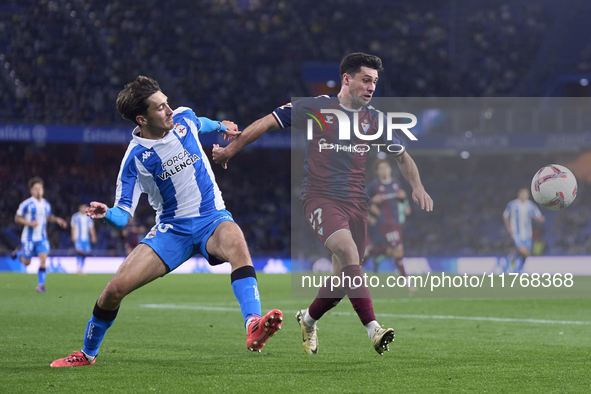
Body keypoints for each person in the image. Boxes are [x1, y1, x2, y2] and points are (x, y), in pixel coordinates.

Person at [51, 76, 283, 367]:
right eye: (160, 108)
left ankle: (252, 324)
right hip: (172, 231)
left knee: (238, 244)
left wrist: (223, 126)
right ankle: (87, 353)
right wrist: (107, 213)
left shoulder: (183, 118)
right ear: (142, 118)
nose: (170, 110)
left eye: (167, 103)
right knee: (114, 290)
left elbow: (203, 122)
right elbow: (123, 216)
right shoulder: (135, 158)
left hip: (212, 218)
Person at [212, 53, 433, 355]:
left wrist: (418, 186)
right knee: (347, 250)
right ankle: (373, 329)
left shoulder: (374, 121)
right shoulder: (315, 107)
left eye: (375, 82)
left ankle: (308, 319)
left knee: (344, 278)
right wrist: (230, 151)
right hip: (320, 198)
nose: (371, 87)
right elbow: (266, 123)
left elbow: (402, 156)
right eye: (366, 80)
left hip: (357, 203)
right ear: (347, 79)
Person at [12, 177, 68, 292]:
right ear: (31, 191)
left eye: (40, 188)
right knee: (27, 262)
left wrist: (58, 220)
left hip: (42, 238)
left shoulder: (46, 204)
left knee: (43, 259)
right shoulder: (26, 204)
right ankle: (19, 255)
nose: (38, 191)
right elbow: (17, 218)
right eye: (36, 189)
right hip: (28, 238)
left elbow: (49, 216)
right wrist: (28, 223)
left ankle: (40, 285)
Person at [364, 159, 413, 287]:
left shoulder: (396, 184)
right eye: (381, 168)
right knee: (398, 250)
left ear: (390, 169)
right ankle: (406, 282)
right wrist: (370, 213)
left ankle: (370, 252)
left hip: (397, 223)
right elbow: (361, 202)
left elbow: (403, 202)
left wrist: (404, 200)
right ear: (377, 172)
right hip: (385, 223)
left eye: (386, 167)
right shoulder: (374, 186)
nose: (384, 170)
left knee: (394, 251)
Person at [503, 188, 545, 273]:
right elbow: (505, 216)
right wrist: (509, 227)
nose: (525, 195)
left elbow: (537, 215)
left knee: (526, 253)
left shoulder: (530, 205)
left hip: (527, 233)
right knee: (523, 250)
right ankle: (512, 262)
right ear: (519, 194)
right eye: (523, 194)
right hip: (516, 232)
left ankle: (519, 268)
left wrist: (540, 219)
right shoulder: (513, 204)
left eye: (526, 194)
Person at [71, 204, 98, 274]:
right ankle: (78, 268)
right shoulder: (75, 216)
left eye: (85, 208)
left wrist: (93, 236)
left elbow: (91, 228)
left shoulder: (88, 217)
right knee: (80, 252)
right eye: (82, 207)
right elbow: (73, 227)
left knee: (85, 253)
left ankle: (81, 268)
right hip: (78, 238)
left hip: (86, 239)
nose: (83, 209)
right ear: (79, 208)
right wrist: (73, 236)